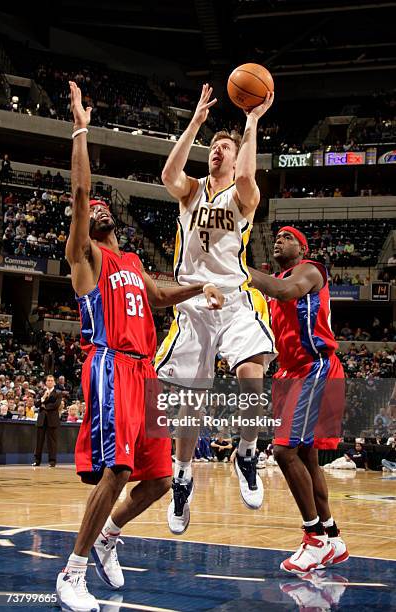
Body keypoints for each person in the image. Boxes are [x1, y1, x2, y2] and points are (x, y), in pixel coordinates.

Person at [56, 81, 224, 612]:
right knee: (118, 471)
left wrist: (202, 286)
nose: (100, 208)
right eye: (94, 208)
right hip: (109, 365)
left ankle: (108, 536)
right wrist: (81, 129)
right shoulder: (85, 257)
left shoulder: (129, 262)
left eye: (107, 207)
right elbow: (82, 193)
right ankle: (72, 573)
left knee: (156, 480)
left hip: (144, 373)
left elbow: (163, 291)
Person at [157, 83, 276, 534]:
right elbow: (169, 175)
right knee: (190, 403)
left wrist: (250, 122)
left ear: (236, 154)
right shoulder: (191, 192)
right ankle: (182, 476)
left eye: (224, 148)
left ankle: (246, 451)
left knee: (251, 374)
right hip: (192, 303)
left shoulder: (242, 197)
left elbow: (247, 178)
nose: (217, 152)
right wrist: (196, 124)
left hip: (233, 298)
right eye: (214, 147)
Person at [249, 226, 348, 573]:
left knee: (283, 451)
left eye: (287, 236)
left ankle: (314, 539)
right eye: (276, 235)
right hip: (289, 373)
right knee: (307, 456)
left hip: (314, 366)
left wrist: (240, 270)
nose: (278, 239)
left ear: (302, 248)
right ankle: (332, 536)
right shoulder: (274, 287)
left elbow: (286, 290)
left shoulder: (309, 270)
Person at [32, 374, 62, 467]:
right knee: (39, 441)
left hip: (52, 420)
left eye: (51, 380)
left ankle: (52, 461)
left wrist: (44, 406)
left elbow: (56, 405)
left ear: (54, 382)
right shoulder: (41, 392)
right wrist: (43, 398)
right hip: (41, 419)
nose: (49, 382)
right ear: (45, 382)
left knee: (52, 442)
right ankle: (37, 461)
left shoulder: (58, 393)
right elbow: (36, 404)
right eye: (48, 380)